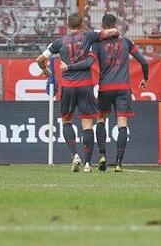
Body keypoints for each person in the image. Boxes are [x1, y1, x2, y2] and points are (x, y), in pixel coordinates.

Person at [36, 13, 118, 172]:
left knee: (66, 121)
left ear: (68, 26)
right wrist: (107, 32)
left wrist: (46, 71)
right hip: (85, 86)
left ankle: (75, 155)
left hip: (68, 87)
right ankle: (87, 164)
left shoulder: (59, 42)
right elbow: (113, 32)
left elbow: (40, 59)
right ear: (82, 25)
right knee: (87, 124)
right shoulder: (88, 36)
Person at [91, 13, 149, 172]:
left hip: (105, 87)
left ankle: (102, 155)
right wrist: (145, 79)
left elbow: (89, 62)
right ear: (116, 25)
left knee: (101, 119)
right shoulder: (126, 41)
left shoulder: (97, 43)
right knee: (122, 123)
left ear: (102, 27)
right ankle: (118, 163)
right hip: (123, 88)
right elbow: (144, 62)